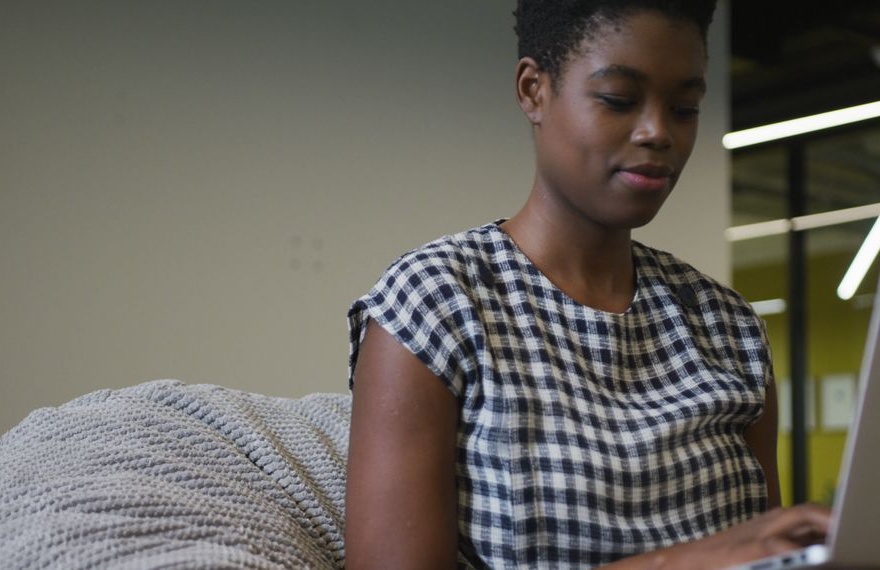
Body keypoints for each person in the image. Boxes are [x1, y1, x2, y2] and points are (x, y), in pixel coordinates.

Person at [345, 1, 830, 568]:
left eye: (684, 107)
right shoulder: (438, 303)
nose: (658, 132)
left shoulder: (729, 328)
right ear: (533, 91)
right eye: (619, 100)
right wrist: (687, 561)